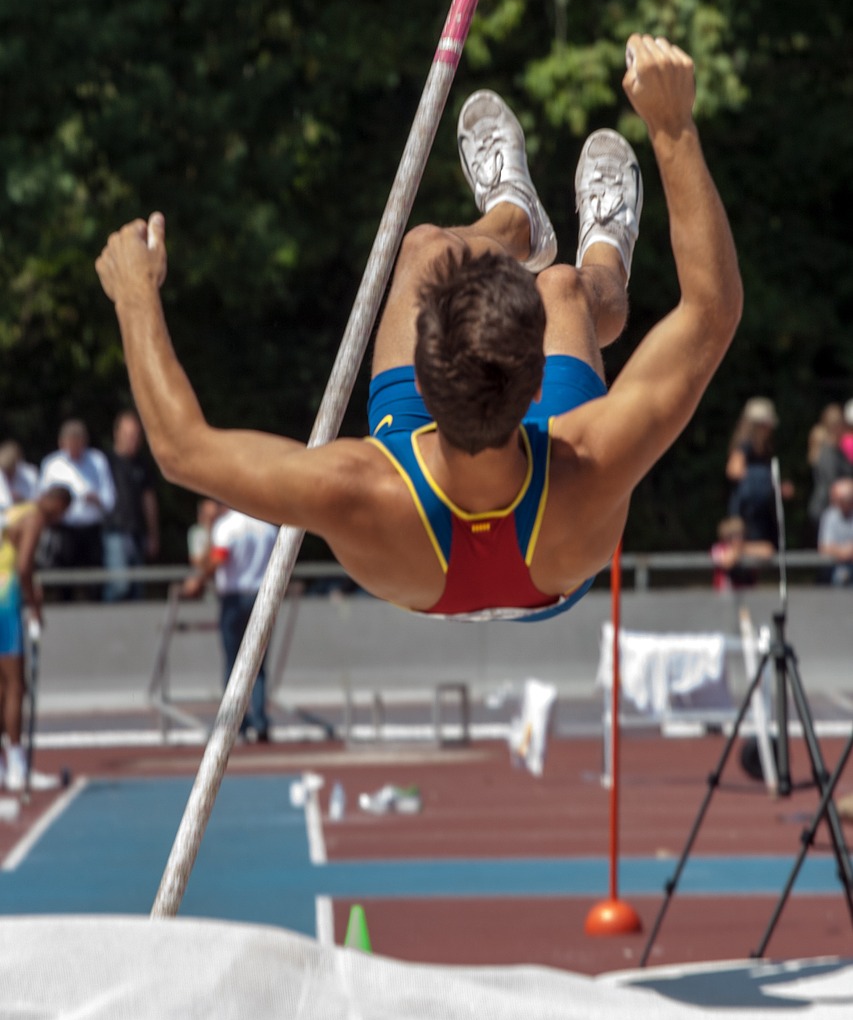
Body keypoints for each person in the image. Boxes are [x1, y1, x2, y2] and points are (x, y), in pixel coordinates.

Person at [95, 35, 742, 624]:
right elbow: (710, 312)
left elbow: (181, 449)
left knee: (425, 247)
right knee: (564, 288)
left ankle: (514, 223)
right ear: (536, 380)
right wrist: (672, 128)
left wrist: (133, 297)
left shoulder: (358, 486)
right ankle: (604, 252)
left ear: (418, 383)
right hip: (554, 547)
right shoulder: (590, 458)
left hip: (408, 538)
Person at [180, 504, 277, 741]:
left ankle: (237, 723)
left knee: (234, 663)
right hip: (263, 596)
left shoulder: (228, 526)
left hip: (234, 598)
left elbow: (218, 559)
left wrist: (199, 578)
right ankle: (261, 720)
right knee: (259, 664)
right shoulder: (267, 525)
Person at [0, 485, 71, 790]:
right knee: (17, 685)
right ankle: (18, 768)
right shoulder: (35, 519)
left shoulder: (15, 511)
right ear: (57, 504)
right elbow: (25, 565)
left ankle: (6, 766)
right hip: (6, 600)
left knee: (2, 686)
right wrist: (35, 604)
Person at [37, 419, 117, 599]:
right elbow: (41, 498)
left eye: (78, 444)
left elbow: (110, 496)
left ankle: (97, 612)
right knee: (64, 578)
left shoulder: (97, 461)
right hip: (65, 528)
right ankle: (66, 612)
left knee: (95, 577)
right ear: (62, 442)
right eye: (70, 444)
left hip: (91, 527)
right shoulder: (52, 464)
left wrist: (98, 500)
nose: (74, 449)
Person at [102, 410, 160, 601]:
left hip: (138, 532)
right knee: (119, 585)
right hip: (114, 530)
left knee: (137, 588)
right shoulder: (105, 462)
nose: (133, 440)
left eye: (136, 435)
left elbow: (149, 500)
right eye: (128, 435)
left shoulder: (143, 464)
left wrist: (153, 534)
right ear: (116, 434)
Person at [725, 397, 793, 550]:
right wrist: (759, 478)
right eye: (766, 425)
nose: (769, 429)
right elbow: (734, 470)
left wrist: (778, 488)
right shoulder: (744, 446)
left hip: (762, 513)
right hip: (746, 512)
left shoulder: (765, 449)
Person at [807, 400, 853, 540]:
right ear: (836, 426)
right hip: (827, 508)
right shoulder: (827, 453)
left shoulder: (837, 450)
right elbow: (833, 484)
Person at [710, 515, 775, 593]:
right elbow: (727, 562)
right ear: (725, 536)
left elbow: (768, 551)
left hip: (749, 594)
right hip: (725, 595)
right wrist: (738, 551)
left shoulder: (746, 547)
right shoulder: (717, 548)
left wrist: (743, 549)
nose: (738, 538)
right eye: (733, 535)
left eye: (740, 534)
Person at [817, 477, 853, 586]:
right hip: (835, 569)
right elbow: (824, 547)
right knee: (840, 576)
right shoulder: (829, 516)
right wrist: (845, 552)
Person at [0, 442, 39, 526]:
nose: (8, 473)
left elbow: (36, 500)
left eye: (10, 469)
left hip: (22, 521)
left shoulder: (29, 475)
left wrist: (22, 499)